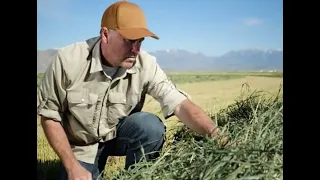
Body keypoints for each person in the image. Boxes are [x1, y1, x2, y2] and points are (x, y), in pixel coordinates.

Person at [37, 1, 225, 180]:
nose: (136, 49)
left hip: (117, 136)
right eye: (129, 41)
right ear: (105, 34)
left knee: (150, 126)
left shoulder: (146, 64)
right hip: (81, 146)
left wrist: (218, 136)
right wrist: (72, 166)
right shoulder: (69, 60)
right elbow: (49, 116)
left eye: (140, 42)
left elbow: (180, 104)